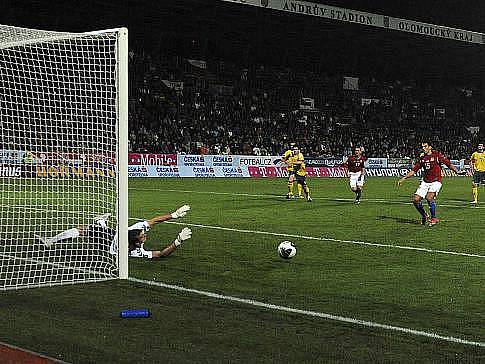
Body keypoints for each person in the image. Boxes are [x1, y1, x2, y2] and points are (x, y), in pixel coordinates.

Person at [36, 205, 192, 258]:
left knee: (89, 229)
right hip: (111, 238)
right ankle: (49, 241)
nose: (145, 234)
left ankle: (100, 221)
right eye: (143, 236)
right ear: (137, 240)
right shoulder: (135, 249)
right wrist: (177, 242)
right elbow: (161, 254)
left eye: (143, 235)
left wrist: (174, 215)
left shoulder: (134, 231)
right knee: (83, 229)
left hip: (108, 243)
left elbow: (154, 221)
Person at [397, 142, 465, 226]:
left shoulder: (437, 155)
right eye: (422, 147)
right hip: (425, 182)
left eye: (425, 146)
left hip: (436, 181)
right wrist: (404, 178)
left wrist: (457, 171)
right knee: (415, 200)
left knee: (429, 198)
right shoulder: (422, 158)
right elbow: (414, 170)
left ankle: (434, 218)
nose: (423, 148)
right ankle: (424, 215)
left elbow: (448, 164)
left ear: (430, 147)